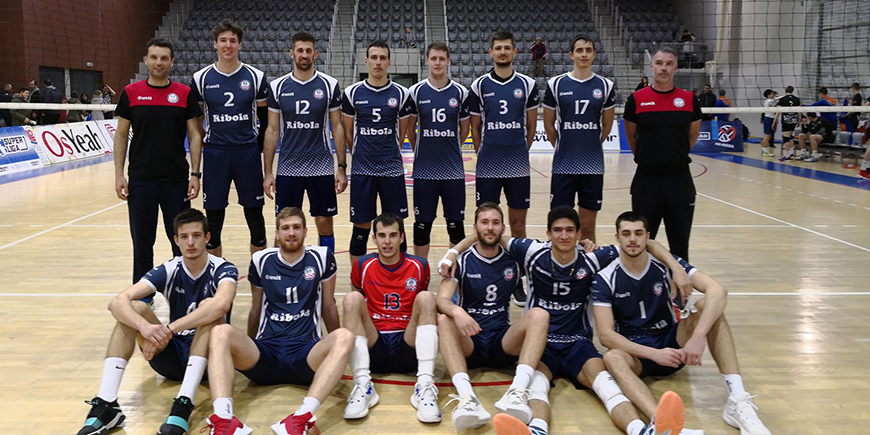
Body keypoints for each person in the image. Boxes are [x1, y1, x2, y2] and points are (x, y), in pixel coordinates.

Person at [440, 206, 695, 435]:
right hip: (542, 345)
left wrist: (676, 267)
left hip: (578, 343)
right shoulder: (533, 252)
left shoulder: (592, 258)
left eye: (570, 230)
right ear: (548, 234)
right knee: (536, 388)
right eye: (558, 230)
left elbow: (646, 244)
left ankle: (641, 430)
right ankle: (537, 430)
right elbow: (485, 234)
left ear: (579, 234)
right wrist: (452, 252)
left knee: (607, 387)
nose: (564, 235)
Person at [593, 211, 771, 435]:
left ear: (648, 236)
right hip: (636, 354)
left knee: (708, 307)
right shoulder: (605, 277)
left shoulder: (666, 265)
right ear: (617, 237)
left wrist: (698, 337)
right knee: (612, 357)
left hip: (672, 345)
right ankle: (662, 423)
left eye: (638, 233)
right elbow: (605, 336)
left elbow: (718, 291)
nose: (633, 239)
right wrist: (654, 354)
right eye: (626, 234)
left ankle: (737, 400)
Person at [75, 209, 238, 435]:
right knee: (135, 308)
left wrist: (169, 329)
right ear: (176, 240)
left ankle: (184, 403)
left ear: (207, 237)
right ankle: (107, 402)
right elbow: (117, 302)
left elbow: (222, 305)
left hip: (209, 361)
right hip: (170, 355)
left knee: (210, 309)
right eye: (184, 237)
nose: (190, 242)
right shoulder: (170, 268)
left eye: (197, 235)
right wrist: (145, 327)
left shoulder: (223, 268)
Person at [204, 206, 353, 435]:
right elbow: (255, 309)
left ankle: (300, 418)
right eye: (285, 228)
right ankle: (224, 420)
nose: (291, 233)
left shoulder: (322, 257)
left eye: (296, 227)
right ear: (276, 233)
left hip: (305, 354)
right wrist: (249, 346)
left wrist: (337, 356)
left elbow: (328, 307)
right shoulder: (261, 260)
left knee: (344, 337)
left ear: (305, 231)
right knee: (220, 332)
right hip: (268, 353)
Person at [435, 202, 549, 430]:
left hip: (501, 341)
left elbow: (551, 250)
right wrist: (457, 311)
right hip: (470, 340)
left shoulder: (514, 260)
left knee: (539, 315)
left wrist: (583, 245)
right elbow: (441, 300)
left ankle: (517, 393)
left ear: (503, 228)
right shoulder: (462, 260)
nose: (490, 228)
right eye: (484, 222)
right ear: (475, 227)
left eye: (496, 223)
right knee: (443, 319)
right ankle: (467, 399)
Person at [113, 37, 203, 284]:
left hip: (176, 181)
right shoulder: (131, 93)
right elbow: (121, 136)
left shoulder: (184, 93)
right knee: (142, 242)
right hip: (141, 180)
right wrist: (119, 175)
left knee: (182, 240)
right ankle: (143, 295)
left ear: (172, 62)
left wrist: (195, 174)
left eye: (164, 58)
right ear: (146, 60)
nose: (158, 62)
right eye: (153, 57)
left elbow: (195, 135)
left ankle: (184, 289)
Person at [342, 213, 440, 422]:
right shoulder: (361, 265)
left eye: (393, 235)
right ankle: (363, 384)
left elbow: (423, 307)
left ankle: (424, 385)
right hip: (375, 343)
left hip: (408, 343)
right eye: (382, 235)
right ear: (374, 238)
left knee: (426, 298)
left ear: (402, 238)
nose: (387, 242)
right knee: (352, 299)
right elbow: (357, 309)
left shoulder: (419, 265)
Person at [468, 30, 539, 306]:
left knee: (518, 224)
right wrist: (483, 154)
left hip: (518, 166)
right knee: (486, 223)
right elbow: (475, 128)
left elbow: (531, 126)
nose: (502, 52)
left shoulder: (527, 84)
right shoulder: (479, 85)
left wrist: (520, 151)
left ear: (514, 52)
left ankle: (517, 279)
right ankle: (486, 275)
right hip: (488, 165)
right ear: (491, 52)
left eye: (507, 48)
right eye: (498, 48)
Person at [190, 20, 270, 258]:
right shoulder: (201, 78)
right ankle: (216, 271)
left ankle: (258, 270)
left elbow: (266, 121)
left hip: (247, 152)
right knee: (214, 219)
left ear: (239, 45)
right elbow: (196, 122)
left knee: (255, 217)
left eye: (232, 41)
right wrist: (206, 146)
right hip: (216, 153)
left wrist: (255, 149)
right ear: (215, 44)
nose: (228, 45)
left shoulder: (255, 77)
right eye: (223, 40)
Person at [263, 31, 347, 255]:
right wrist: (268, 172)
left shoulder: (329, 85)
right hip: (288, 168)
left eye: (308, 51)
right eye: (300, 50)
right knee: (285, 224)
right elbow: (272, 130)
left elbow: (337, 127)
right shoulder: (278, 86)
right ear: (291, 54)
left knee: (325, 222)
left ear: (315, 54)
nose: (304, 54)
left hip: (321, 166)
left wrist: (341, 167)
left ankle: (326, 264)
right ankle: (282, 268)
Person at [623, 47, 702, 261]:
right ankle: (644, 282)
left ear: (676, 68)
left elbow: (691, 137)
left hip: (680, 181)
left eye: (668, 64)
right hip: (647, 180)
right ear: (651, 67)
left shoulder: (689, 99)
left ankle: (679, 283)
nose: (663, 68)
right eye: (659, 63)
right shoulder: (637, 99)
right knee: (642, 243)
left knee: (680, 243)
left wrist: (674, 155)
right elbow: (632, 137)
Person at [341, 40, 413, 265]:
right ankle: (358, 278)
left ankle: (400, 275)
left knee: (396, 225)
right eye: (374, 57)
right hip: (363, 170)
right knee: (361, 227)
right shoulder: (352, 93)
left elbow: (402, 133)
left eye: (382, 58)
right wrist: (360, 155)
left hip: (392, 169)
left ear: (389, 62)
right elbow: (348, 133)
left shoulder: (402, 94)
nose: (378, 62)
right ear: (366, 61)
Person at [542, 34, 616, 243]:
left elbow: (607, 126)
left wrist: (590, 144)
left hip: (593, 167)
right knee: (559, 225)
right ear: (571, 55)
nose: (584, 54)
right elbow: (549, 125)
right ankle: (555, 263)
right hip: (563, 166)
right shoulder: (556, 84)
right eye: (580, 50)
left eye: (588, 50)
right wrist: (563, 146)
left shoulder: (605, 85)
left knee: (588, 227)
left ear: (594, 54)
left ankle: (588, 263)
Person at [405, 42, 471, 261]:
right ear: (427, 60)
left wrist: (452, 146)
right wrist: (421, 150)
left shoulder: (460, 92)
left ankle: (453, 271)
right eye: (434, 58)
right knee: (422, 226)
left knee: (456, 227)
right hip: (424, 171)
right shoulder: (415, 92)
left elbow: (464, 129)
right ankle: (422, 271)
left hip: (453, 171)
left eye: (442, 58)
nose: (438, 63)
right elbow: (410, 130)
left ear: (448, 61)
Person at [776, 86, 802, 161]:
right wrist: (799, 120)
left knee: (786, 137)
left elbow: (778, 111)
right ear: (792, 91)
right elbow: (799, 111)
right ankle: (791, 154)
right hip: (794, 120)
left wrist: (775, 121)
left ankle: (787, 155)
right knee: (790, 136)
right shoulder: (797, 99)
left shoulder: (782, 99)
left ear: (785, 90)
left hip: (786, 120)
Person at [759, 89, 777, 157]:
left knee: (769, 135)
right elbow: (774, 102)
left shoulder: (770, 100)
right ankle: (765, 151)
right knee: (767, 135)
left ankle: (765, 150)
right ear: (768, 95)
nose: (773, 95)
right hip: (768, 118)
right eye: (772, 94)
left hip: (771, 118)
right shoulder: (769, 101)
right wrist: (777, 98)